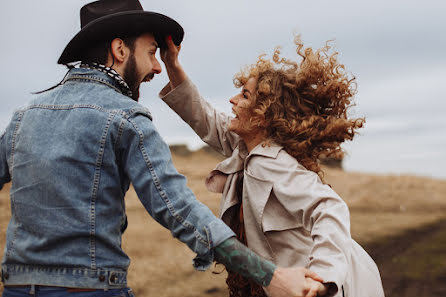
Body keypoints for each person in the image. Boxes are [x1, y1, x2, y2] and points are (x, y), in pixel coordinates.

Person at [0, 1, 325, 297]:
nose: (157, 67)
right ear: (119, 50)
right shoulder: (125, 117)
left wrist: (174, 68)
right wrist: (271, 276)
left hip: (16, 287)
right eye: (152, 52)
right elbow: (178, 208)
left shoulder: (23, 116)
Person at [159, 35, 386, 297]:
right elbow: (203, 116)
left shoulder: (272, 164)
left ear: (263, 116)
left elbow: (328, 207)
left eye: (244, 94)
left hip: (311, 289)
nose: (232, 100)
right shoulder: (246, 147)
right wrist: (172, 66)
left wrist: (322, 278)